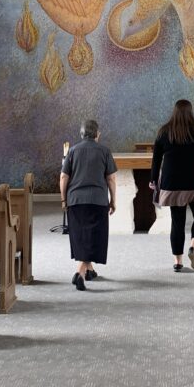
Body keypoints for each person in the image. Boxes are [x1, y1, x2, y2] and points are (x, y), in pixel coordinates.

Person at [150, 99, 194, 272]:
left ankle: (178, 262)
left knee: (177, 221)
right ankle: (193, 246)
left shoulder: (164, 132)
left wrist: (153, 179)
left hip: (173, 184)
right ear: (191, 112)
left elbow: (156, 159)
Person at [60, 119, 116, 291]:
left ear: (81, 134)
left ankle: (89, 271)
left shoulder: (72, 151)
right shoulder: (104, 151)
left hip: (75, 201)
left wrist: (63, 200)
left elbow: (63, 177)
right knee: (94, 238)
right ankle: (80, 272)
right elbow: (111, 179)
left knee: (82, 237)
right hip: (98, 201)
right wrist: (113, 200)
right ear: (97, 134)